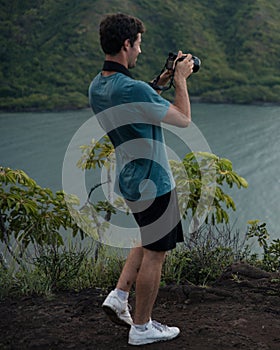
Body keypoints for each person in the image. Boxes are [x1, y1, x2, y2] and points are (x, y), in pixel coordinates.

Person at [88, 13, 194, 346]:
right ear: (126, 44)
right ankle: (143, 326)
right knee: (156, 254)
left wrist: (160, 79)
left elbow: (136, 98)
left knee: (146, 236)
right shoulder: (131, 88)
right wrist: (180, 79)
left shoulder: (100, 86)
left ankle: (119, 296)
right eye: (138, 45)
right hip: (155, 180)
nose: (140, 52)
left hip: (130, 179)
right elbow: (183, 120)